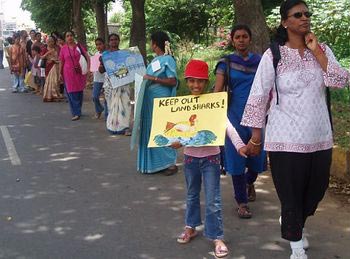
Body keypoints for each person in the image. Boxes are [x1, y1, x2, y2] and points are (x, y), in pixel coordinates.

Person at [240, 1, 350, 258]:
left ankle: (295, 222)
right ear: (285, 22)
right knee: (290, 193)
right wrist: (256, 138)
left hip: (320, 137)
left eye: (307, 14)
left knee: (315, 191)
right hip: (284, 138)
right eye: (297, 15)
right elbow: (258, 96)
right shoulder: (273, 55)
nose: (305, 18)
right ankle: (296, 245)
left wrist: (317, 52)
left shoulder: (322, 50)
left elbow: (341, 81)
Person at [173, 60, 249, 258]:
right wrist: (175, 142)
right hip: (190, 159)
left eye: (200, 82)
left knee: (213, 199)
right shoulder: (182, 105)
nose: (196, 85)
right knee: (191, 195)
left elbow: (228, 126)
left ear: (207, 83)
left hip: (211, 159)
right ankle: (190, 226)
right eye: (192, 81)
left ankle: (216, 236)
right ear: (187, 81)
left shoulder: (213, 104)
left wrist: (240, 145)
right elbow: (176, 132)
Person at [214, 24, 266, 219]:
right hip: (234, 117)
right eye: (238, 37)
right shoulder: (225, 63)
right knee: (236, 160)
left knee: (256, 160)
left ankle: (249, 181)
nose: (241, 39)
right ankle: (241, 202)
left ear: (250, 39)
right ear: (232, 40)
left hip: (257, 118)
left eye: (245, 36)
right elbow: (217, 92)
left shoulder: (261, 62)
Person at [138, 31, 178, 175]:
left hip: (161, 100)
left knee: (163, 129)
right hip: (150, 100)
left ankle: (170, 163)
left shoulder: (168, 59)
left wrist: (152, 79)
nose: (150, 45)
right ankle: (156, 163)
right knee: (151, 130)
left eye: (151, 42)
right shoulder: (155, 60)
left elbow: (172, 81)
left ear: (155, 44)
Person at [99, 33, 131, 134]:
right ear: (109, 42)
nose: (114, 41)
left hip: (123, 83)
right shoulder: (105, 55)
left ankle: (125, 128)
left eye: (116, 39)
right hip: (110, 83)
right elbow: (101, 70)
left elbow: (128, 68)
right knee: (111, 105)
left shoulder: (124, 54)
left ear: (119, 41)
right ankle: (113, 127)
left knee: (125, 104)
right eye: (112, 40)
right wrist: (102, 64)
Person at [59, 30, 90, 121]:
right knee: (71, 92)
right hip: (68, 73)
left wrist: (88, 69)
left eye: (71, 35)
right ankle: (76, 113)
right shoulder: (63, 48)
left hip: (79, 72)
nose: (69, 37)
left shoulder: (79, 47)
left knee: (79, 91)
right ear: (65, 38)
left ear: (73, 36)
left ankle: (78, 110)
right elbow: (61, 62)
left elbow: (87, 57)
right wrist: (60, 74)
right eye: (67, 36)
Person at [42, 36, 62, 102]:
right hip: (49, 66)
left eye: (52, 41)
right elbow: (42, 57)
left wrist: (55, 60)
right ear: (47, 42)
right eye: (49, 41)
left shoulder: (57, 48)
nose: (50, 43)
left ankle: (56, 95)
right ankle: (48, 96)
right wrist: (48, 53)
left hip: (56, 66)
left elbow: (60, 57)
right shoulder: (45, 49)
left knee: (56, 81)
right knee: (49, 81)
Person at [92, 37, 107, 119]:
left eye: (100, 44)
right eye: (97, 45)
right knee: (95, 96)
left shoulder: (108, 54)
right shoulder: (96, 54)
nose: (98, 46)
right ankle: (99, 109)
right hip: (97, 78)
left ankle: (107, 115)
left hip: (106, 79)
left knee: (107, 97)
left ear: (104, 44)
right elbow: (94, 68)